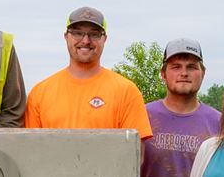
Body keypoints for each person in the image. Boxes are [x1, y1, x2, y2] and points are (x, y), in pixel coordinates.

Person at [22, 10, 153, 162]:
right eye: (77, 33)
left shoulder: (126, 92)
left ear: (105, 39)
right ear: (66, 37)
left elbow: (136, 157)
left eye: (94, 34)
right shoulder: (40, 93)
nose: (85, 40)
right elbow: (31, 153)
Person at [140, 39, 222, 177]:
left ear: (203, 73)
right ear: (163, 74)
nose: (184, 73)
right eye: (176, 66)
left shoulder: (220, 124)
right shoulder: (142, 116)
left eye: (191, 67)